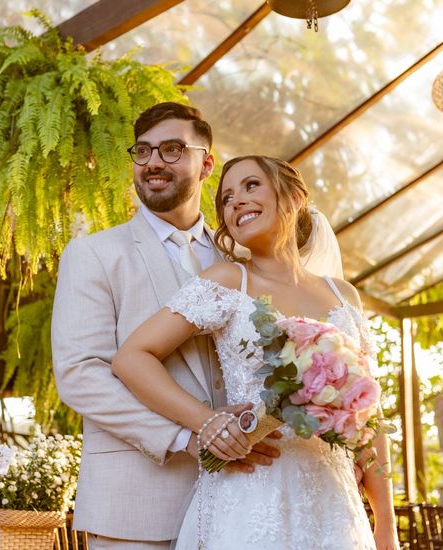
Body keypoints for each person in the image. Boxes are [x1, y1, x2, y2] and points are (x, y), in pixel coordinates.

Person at [112, 155, 398, 549]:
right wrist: (207, 422)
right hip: (251, 491)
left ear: (294, 197)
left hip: (333, 501)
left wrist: (386, 523)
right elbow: (131, 357)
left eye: (250, 186)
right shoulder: (228, 281)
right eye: (226, 198)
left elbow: (369, 416)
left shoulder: (343, 296)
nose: (235, 203)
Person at [51, 103, 281, 549]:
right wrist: (187, 436)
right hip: (135, 505)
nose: (154, 162)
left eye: (173, 149)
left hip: (243, 503)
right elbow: (81, 376)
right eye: (143, 151)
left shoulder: (241, 260)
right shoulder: (94, 254)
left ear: (207, 163)